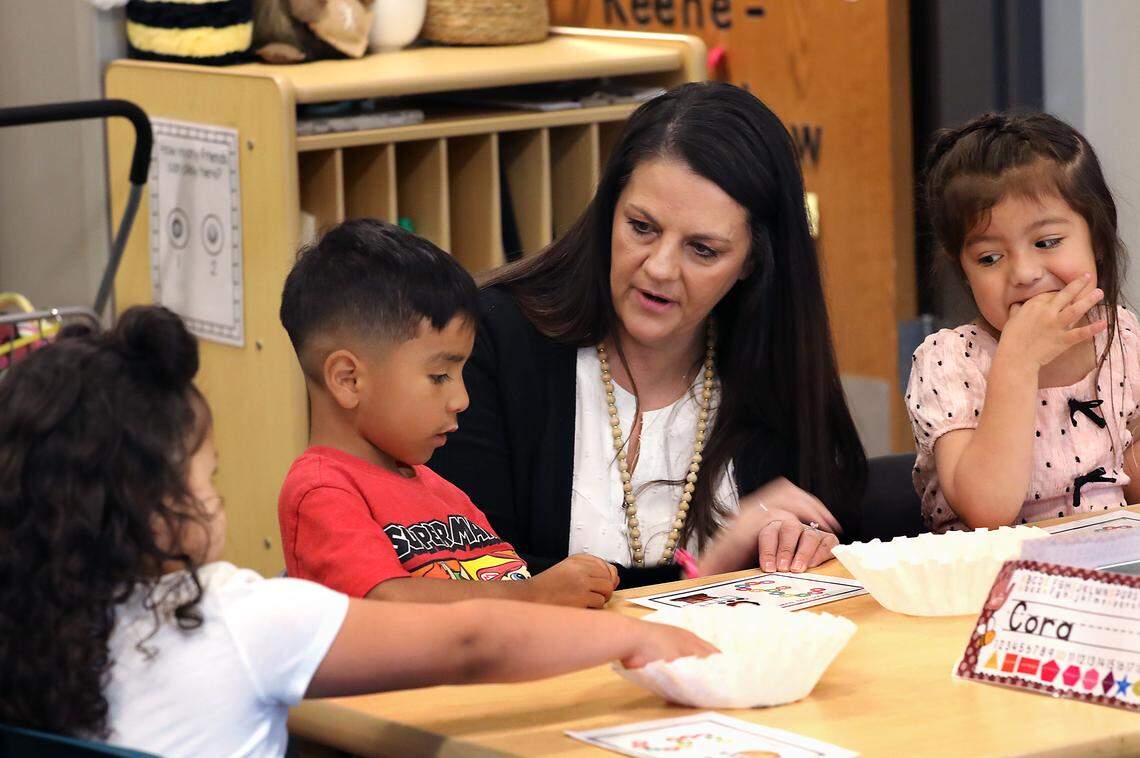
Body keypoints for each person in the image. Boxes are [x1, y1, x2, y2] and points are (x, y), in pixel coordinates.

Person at [0, 306, 715, 756]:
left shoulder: (26, 620)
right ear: (148, 505)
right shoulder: (233, 616)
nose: (218, 501)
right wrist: (637, 636)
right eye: (206, 479)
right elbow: (472, 641)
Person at [430, 82, 867, 588]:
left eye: (702, 250)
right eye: (641, 227)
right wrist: (709, 574)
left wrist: (805, 547)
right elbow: (474, 586)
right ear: (608, 209)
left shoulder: (777, 369)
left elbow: (832, 565)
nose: (659, 268)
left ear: (753, 261)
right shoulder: (490, 342)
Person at [278, 220, 619, 607]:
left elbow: (501, 578)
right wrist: (536, 594)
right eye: (440, 375)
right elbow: (386, 605)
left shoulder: (440, 490)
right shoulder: (322, 492)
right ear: (349, 380)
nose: (462, 399)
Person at [909, 111, 1139, 532]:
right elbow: (987, 510)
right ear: (964, 271)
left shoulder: (1121, 334)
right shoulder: (950, 360)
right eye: (989, 258)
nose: (1024, 273)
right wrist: (1017, 363)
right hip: (990, 582)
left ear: (1098, 242)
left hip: (1109, 571)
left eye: (1047, 242)